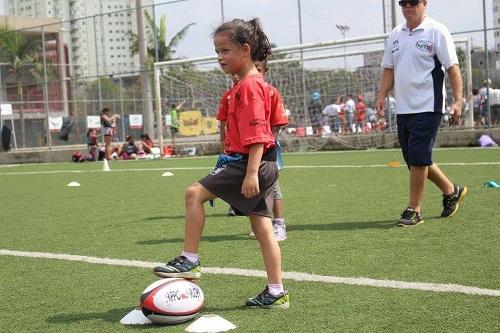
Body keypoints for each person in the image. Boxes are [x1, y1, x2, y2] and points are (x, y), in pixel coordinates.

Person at [153, 18, 289, 309]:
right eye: (217, 51)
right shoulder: (246, 85)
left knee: (193, 194)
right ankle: (276, 292)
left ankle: (189, 259)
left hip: (250, 164)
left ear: (245, 49)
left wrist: (250, 173)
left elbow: (258, 136)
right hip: (259, 164)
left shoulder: (250, 87)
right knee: (263, 228)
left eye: (225, 50)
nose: (220, 57)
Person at [375, 0, 467, 226]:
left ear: (424, 3)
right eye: (402, 2)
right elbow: (389, 68)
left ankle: (414, 209)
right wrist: (381, 95)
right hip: (404, 108)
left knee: (418, 157)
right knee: (415, 159)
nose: (407, 6)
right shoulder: (396, 34)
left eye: (412, 2)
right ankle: (450, 190)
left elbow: (452, 68)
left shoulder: (437, 31)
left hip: (429, 106)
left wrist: (457, 101)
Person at [254, 58, 289, 241]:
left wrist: (268, 145)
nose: (255, 72)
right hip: (250, 150)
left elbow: (277, 123)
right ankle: (262, 223)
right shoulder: (242, 91)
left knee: (272, 184)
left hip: (267, 148)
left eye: (258, 69)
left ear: (265, 71)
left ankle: (280, 223)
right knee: (256, 186)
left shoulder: (271, 92)